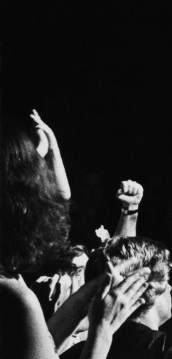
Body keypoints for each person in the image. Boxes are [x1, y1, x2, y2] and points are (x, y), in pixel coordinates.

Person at [0, 111, 151, 359]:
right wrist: (102, 329)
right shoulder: (17, 299)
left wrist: (82, 302)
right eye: (36, 177)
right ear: (20, 201)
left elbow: (41, 345)